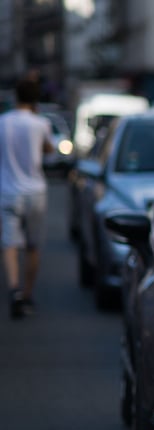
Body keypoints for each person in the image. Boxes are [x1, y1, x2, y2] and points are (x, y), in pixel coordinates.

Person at [0, 77, 54, 319]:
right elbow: (49, 151)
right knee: (33, 246)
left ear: (15, 96)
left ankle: (14, 290)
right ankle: (28, 294)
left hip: (8, 191)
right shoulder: (40, 123)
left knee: (10, 245)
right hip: (35, 191)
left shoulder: (2, 123)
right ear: (35, 100)